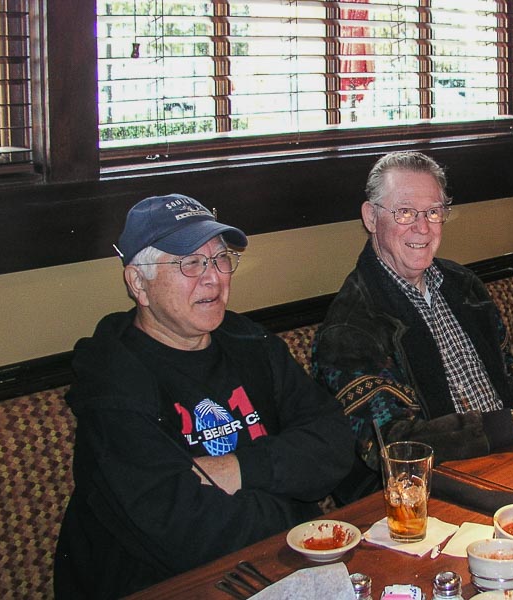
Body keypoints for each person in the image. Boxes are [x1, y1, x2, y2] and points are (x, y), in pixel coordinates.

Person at [54, 193, 355, 599]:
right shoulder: (114, 384)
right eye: (190, 263)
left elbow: (334, 442)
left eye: (219, 259)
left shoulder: (251, 344)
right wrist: (295, 510)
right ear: (138, 283)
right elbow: (188, 533)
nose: (214, 277)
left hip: (276, 569)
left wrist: (240, 469)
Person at [312, 151, 513, 505]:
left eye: (434, 212)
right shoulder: (351, 326)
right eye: (405, 212)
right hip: (430, 494)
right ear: (371, 217)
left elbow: (511, 382)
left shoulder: (464, 286)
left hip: (512, 464)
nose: (423, 227)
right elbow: (391, 445)